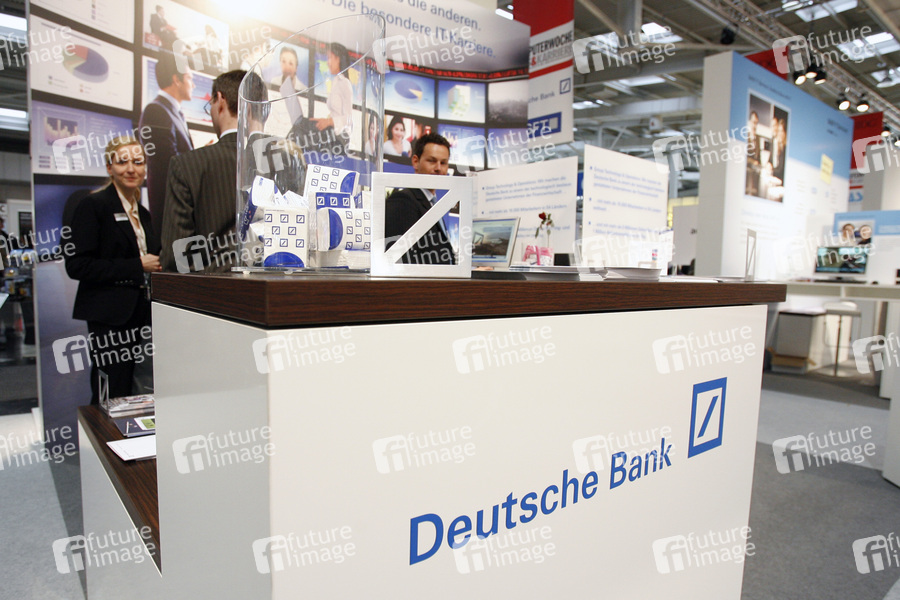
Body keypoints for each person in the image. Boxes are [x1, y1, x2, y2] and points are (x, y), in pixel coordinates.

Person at [65, 137, 161, 403]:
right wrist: (137, 265)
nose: (131, 169)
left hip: (142, 314)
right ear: (110, 168)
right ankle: (104, 430)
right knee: (111, 389)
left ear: (145, 169)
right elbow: (77, 265)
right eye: (122, 162)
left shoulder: (143, 213)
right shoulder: (93, 205)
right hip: (109, 317)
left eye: (138, 162)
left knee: (136, 388)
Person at [160, 70, 245, 273]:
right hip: (280, 288)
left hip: (213, 287)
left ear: (220, 100)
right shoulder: (287, 162)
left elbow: (177, 257)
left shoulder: (187, 165)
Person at [139, 53, 195, 227]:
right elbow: (168, 163)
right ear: (176, 80)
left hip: (181, 208)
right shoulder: (156, 111)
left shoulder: (173, 112)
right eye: (189, 78)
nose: (193, 85)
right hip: (170, 212)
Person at [385, 133, 455, 265]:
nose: (438, 168)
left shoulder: (433, 204)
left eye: (443, 163)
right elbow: (398, 261)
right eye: (432, 161)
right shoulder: (402, 202)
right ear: (415, 161)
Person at [311, 43, 353, 157]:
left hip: (338, 140)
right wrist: (325, 121)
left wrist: (328, 122)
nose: (328, 62)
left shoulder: (345, 83)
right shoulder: (336, 82)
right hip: (332, 135)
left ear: (338, 59)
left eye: (329, 58)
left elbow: (348, 119)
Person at [745, 111, 761, 196]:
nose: (754, 125)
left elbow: (759, 156)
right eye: (753, 122)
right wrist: (752, 162)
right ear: (749, 122)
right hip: (746, 169)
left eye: (756, 123)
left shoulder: (757, 138)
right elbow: (742, 156)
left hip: (756, 170)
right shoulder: (745, 136)